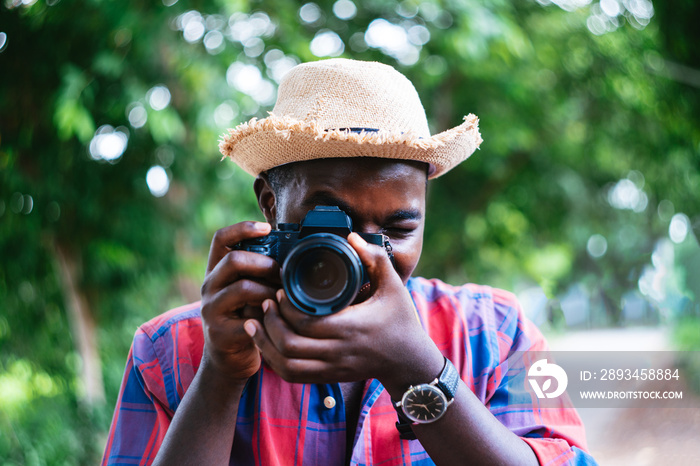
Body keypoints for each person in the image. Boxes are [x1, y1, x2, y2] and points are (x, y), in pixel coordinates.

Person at [102, 58, 596, 465]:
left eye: (399, 229)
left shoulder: (493, 332)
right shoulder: (169, 352)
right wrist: (220, 374)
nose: (364, 254)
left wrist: (418, 368)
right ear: (271, 207)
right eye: (332, 225)